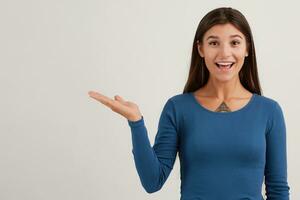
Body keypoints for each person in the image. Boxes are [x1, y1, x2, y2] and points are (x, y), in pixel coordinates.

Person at [88, 7, 290, 200]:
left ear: (247, 49)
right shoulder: (178, 108)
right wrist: (136, 122)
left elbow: (278, 190)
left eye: (234, 43)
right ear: (200, 49)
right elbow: (152, 181)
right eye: (214, 43)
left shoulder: (269, 111)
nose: (224, 53)